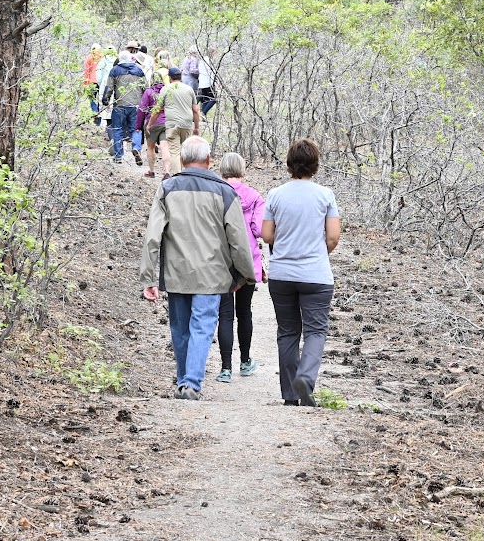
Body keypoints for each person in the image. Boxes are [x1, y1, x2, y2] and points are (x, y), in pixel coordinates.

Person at [138, 136, 257, 400]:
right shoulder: (225, 192)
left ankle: (185, 382)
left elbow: (152, 236)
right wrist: (245, 276)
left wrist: (148, 277)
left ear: (182, 160)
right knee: (202, 326)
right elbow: (238, 240)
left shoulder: (167, 189)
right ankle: (190, 383)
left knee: (180, 329)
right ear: (209, 160)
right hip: (212, 275)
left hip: (176, 273)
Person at [262, 138, 341, 406]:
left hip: (281, 274)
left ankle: (290, 395)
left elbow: (266, 235)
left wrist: (287, 244)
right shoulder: (325, 195)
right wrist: (316, 252)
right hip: (316, 275)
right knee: (316, 331)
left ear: (289, 164)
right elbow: (333, 237)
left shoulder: (275, 194)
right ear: (315, 164)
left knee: (287, 332)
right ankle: (305, 379)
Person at [214, 152, 265, 383]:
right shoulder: (254, 197)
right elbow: (259, 230)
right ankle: (245, 362)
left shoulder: (215, 193)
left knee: (225, 314)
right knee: (244, 311)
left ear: (221, 170)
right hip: (247, 261)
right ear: (243, 171)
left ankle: (225, 368)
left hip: (220, 260)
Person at [99, 48, 146, 164]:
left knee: (117, 129)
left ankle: (118, 156)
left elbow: (109, 87)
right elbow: (145, 87)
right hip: (136, 105)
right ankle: (136, 148)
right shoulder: (139, 70)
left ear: (119, 59)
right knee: (136, 129)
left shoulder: (115, 70)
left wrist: (105, 99)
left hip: (120, 105)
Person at [154, 67, 200, 176]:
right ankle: (187, 175)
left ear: (170, 78)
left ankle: (177, 176)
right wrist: (197, 127)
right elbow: (195, 110)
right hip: (187, 124)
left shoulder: (166, 89)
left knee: (174, 152)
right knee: (185, 151)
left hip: (172, 125)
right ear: (181, 77)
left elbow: (157, 109)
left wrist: (150, 123)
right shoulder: (189, 89)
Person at [137, 69, 167, 180]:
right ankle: (167, 172)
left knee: (150, 147)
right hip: (166, 122)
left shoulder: (148, 92)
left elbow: (142, 109)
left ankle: (152, 171)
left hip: (152, 123)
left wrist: (138, 126)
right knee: (165, 147)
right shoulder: (167, 91)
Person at [83, 45, 107, 126]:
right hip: (101, 81)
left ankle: (95, 114)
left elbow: (87, 71)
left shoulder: (89, 57)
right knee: (100, 100)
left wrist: (85, 83)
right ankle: (99, 120)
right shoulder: (102, 57)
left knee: (92, 99)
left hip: (92, 81)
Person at [197, 49, 218, 117]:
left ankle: (202, 116)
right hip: (208, 83)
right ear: (211, 53)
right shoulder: (209, 61)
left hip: (202, 83)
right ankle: (203, 113)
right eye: (214, 54)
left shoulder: (202, 60)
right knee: (214, 99)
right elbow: (211, 73)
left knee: (206, 100)